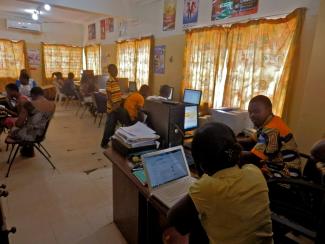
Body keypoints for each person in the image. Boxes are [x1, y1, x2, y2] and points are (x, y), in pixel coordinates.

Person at [164, 122, 273, 244]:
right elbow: (242, 161)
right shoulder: (255, 172)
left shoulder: (206, 187)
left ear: (199, 163)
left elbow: (172, 217)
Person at [240, 95, 301, 177]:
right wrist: (231, 140)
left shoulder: (273, 129)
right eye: (250, 112)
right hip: (273, 167)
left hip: (285, 176)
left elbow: (254, 157)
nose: (252, 115)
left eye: (257, 111)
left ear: (269, 110)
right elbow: (251, 141)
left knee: (241, 175)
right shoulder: (271, 121)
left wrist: (232, 153)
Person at [101, 64, 130, 148]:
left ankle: (112, 142)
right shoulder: (110, 80)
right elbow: (109, 94)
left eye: (116, 70)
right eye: (114, 70)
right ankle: (104, 143)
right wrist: (114, 105)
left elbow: (116, 92)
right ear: (109, 71)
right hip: (113, 107)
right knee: (110, 126)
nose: (116, 71)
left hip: (117, 106)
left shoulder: (115, 80)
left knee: (112, 125)